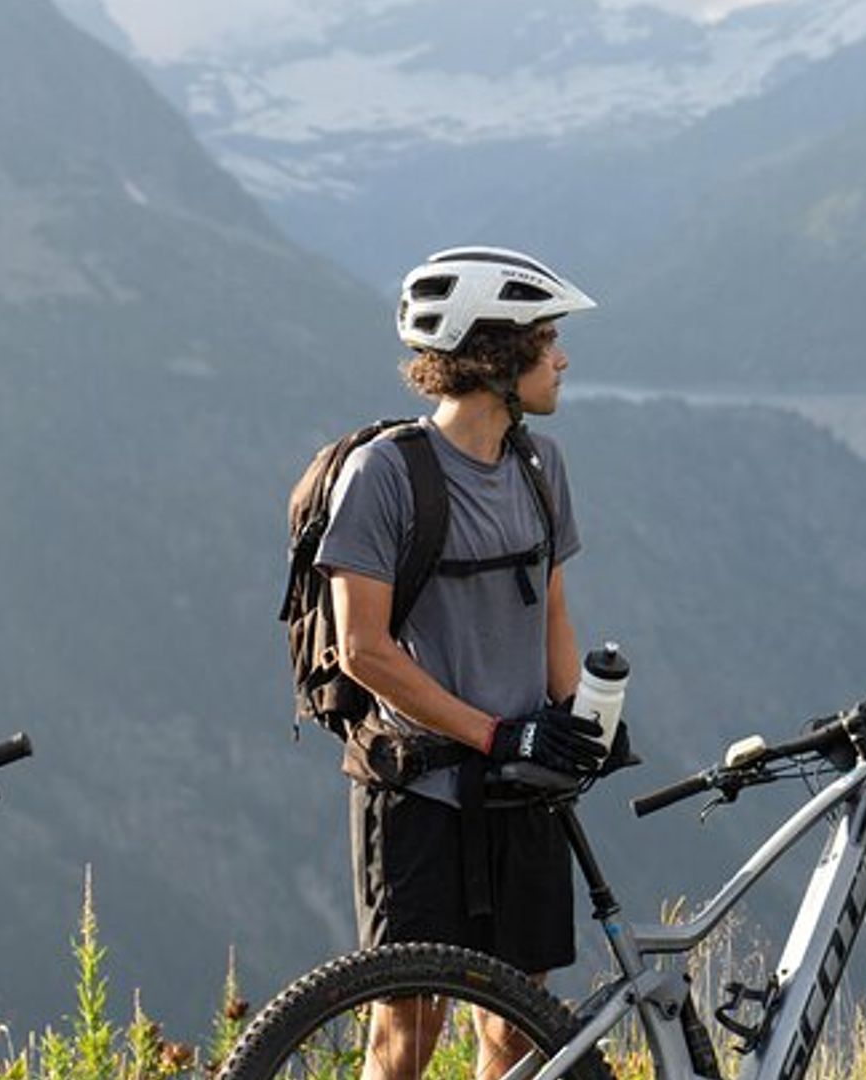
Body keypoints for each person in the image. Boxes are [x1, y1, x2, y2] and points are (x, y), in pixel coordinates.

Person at [314, 246, 609, 1080]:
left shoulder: (540, 465)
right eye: (546, 339)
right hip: (419, 788)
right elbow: (362, 649)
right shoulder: (385, 475)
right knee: (405, 1039)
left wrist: (577, 719)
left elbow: (548, 605)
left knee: (515, 1030)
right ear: (494, 355)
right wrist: (495, 736)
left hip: (520, 787)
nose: (562, 358)